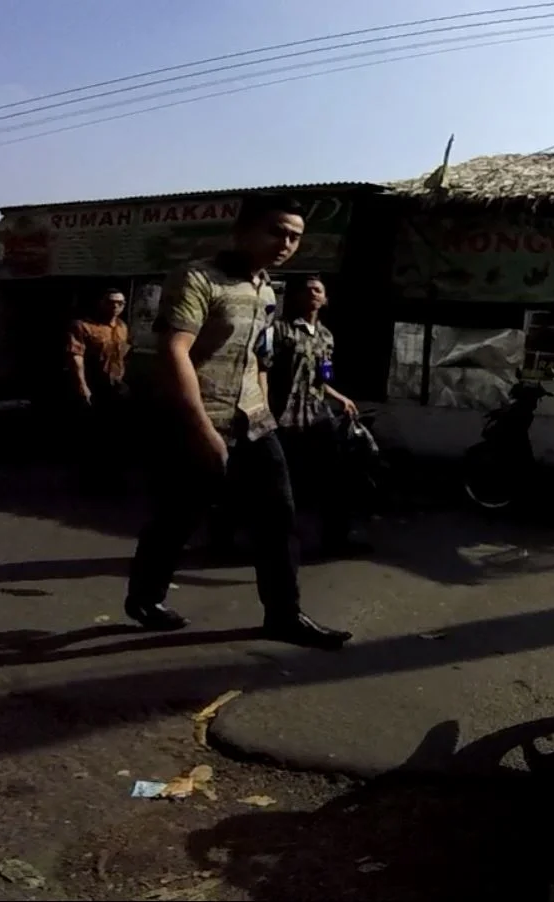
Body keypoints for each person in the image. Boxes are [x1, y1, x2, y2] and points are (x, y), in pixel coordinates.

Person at [124, 194, 351, 650]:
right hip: (198, 418)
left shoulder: (267, 290)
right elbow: (174, 351)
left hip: (255, 421)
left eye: (295, 237)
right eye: (276, 232)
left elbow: (259, 358)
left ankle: (284, 616)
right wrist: (203, 429)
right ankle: (145, 598)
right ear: (243, 231)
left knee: (279, 516)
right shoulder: (197, 278)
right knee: (179, 516)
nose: (286, 243)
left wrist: (266, 410)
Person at [264, 274, 370, 557]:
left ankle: (336, 540)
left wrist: (340, 397)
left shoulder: (325, 336)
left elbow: (322, 377)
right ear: (298, 297)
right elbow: (261, 369)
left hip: (315, 417)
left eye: (318, 290)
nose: (313, 293)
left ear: (325, 300)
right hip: (282, 417)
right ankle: (269, 543)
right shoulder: (280, 330)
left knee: (334, 479)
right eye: (308, 289)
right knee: (277, 482)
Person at [65, 287, 131, 487]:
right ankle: (89, 480)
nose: (115, 306)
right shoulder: (83, 326)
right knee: (93, 435)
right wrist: (82, 386)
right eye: (111, 302)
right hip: (95, 386)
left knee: (117, 435)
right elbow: (76, 357)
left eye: (119, 303)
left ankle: (115, 478)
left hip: (117, 386)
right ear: (101, 303)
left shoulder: (122, 327)